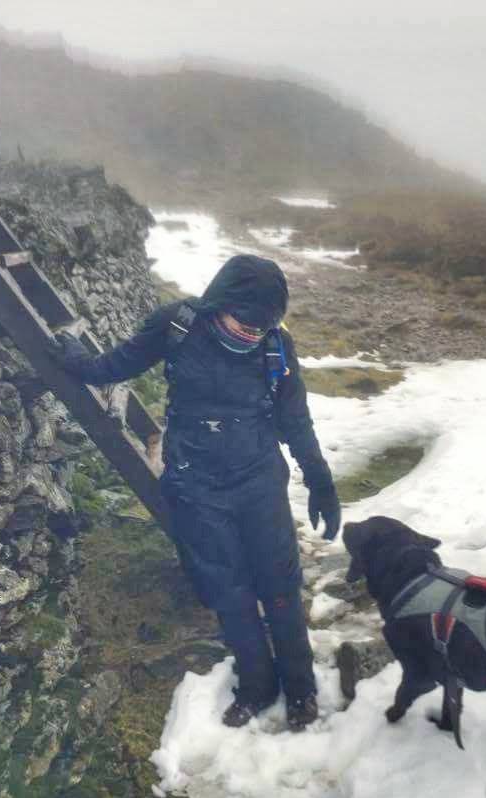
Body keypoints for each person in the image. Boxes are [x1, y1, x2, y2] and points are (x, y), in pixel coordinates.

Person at [51, 254, 341, 730]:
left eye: (263, 325)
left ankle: (302, 689)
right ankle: (257, 686)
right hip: (196, 486)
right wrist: (77, 363)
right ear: (219, 302)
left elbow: (295, 420)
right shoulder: (178, 327)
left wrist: (320, 479)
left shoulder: (276, 346)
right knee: (228, 592)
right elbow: (116, 364)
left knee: (281, 588)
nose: (252, 333)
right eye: (244, 322)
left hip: (258, 483)